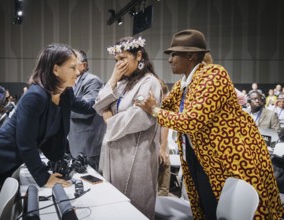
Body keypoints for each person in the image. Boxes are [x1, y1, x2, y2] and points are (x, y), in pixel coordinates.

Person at [136, 29, 283, 219]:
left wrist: (154, 110)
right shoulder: (183, 84)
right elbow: (165, 106)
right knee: (207, 208)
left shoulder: (214, 75)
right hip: (202, 159)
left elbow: (191, 121)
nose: (169, 59)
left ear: (191, 55)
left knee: (229, 211)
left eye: (174, 54)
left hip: (231, 159)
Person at [0, 43, 96, 219]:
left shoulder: (65, 94)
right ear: (56, 69)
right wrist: (44, 178)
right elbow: (25, 143)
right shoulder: (35, 96)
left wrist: (113, 91)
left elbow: (88, 107)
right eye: (72, 67)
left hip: (4, 167)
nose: (78, 72)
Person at [93, 36, 162, 219]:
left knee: (134, 209)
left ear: (138, 55)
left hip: (136, 157)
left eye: (123, 58)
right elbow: (99, 104)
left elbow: (139, 117)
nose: (119, 65)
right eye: (116, 60)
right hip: (113, 154)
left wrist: (109, 119)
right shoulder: (122, 83)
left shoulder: (149, 82)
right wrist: (113, 79)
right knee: (112, 207)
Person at [68, 49, 106, 170]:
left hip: (88, 146)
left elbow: (89, 111)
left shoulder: (92, 81)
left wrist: (62, 108)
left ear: (83, 65)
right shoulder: (72, 82)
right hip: (75, 143)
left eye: (73, 62)